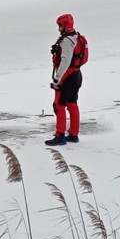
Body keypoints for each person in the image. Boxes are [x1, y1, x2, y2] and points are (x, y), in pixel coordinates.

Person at [46, 13, 85, 146]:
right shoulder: (77, 38)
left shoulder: (67, 41)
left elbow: (65, 61)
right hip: (76, 75)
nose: (58, 29)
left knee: (59, 105)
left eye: (60, 26)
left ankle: (60, 135)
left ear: (65, 26)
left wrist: (57, 78)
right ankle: (74, 134)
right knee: (72, 104)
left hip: (67, 76)